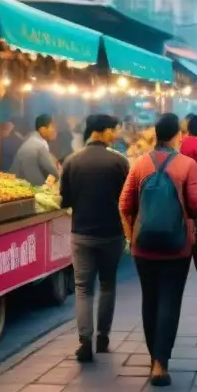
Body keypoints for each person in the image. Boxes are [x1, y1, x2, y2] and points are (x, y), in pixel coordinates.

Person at [120, 113, 197, 386]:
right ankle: (161, 363)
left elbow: (124, 204)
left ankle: (153, 358)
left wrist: (133, 233)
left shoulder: (139, 164)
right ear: (176, 135)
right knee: (170, 299)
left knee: (150, 299)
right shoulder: (186, 164)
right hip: (177, 246)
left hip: (143, 246)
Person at [61, 113, 130, 363]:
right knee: (108, 284)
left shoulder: (71, 161)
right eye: (114, 130)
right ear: (102, 131)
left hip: (81, 234)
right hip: (111, 233)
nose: (116, 134)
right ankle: (103, 338)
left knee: (83, 288)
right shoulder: (119, 162)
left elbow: (65, 200)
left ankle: (84, 341)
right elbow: (127, 199)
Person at [10, 114, 59, 185]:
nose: (55, 130)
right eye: (53, 127)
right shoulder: (39, 145)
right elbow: (53, 173)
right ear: (43, 129)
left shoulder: (31, 140)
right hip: (26, 190)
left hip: (17, 185)